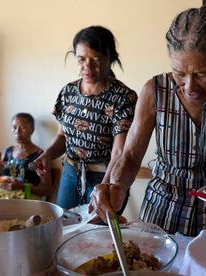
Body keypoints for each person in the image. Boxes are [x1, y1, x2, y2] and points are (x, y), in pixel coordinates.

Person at [89, 7, 206, 236]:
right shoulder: (155, 91)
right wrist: (117, 185)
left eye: (202, 74)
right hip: (163, 211)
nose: (190, 87)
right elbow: (130, 157)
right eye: (179, 73)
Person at [36, 26, 137, 209]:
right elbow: (62, 136)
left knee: (98, 234)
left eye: (96, 59)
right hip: (71, 173)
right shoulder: (68, 92)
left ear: (110, 58)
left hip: (106, 175)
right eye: (81, 59)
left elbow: (119, 153)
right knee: (66, 227)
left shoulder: (123, 97)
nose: (87, 67)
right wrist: (48, 154)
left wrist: (105, 187)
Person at [0, 112, 52, 199]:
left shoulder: (40, 156)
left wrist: (22, 187)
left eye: (22, 127)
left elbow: (47, 190)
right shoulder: (8, 152)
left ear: (32, 130)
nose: (17, 131)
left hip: (27, 201)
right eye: (14, 127)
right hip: (3, 197)